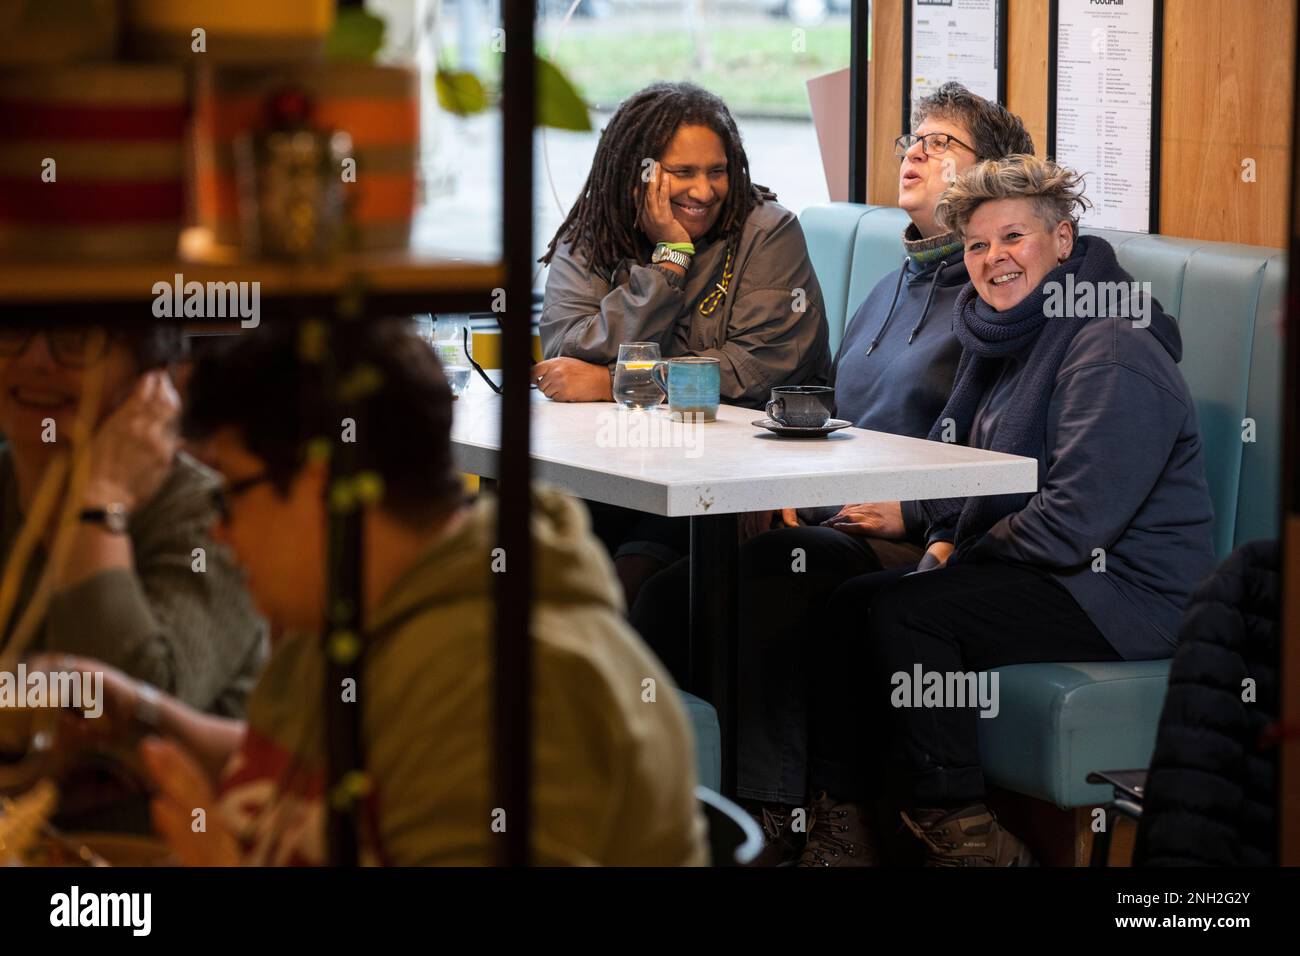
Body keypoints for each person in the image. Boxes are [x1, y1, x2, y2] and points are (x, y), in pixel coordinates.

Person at [42, 318, 707, 866]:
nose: (218, 530)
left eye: (230, 492)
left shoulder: (511, 680)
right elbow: (291, 777)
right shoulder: (345, 607)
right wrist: (140, 716)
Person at [630, 84, 1034, 861]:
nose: (913, 151)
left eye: (941, 143)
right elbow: (837, 416)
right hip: (833, 516)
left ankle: (801, 818)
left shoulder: (994, 294)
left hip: (925, 539)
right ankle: (679, 805)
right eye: (911, 138)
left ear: (995, 174)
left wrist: (912, 516)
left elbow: (999, 445)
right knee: (663, 595)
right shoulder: (891, 285)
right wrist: (789, 496)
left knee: (779, 576)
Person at [798, 155, 1216, 866]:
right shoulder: (1012, 338)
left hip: (1127, 594)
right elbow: (978, 480)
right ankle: (850, 830)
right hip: (1061, 573)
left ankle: (966, 837)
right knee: (850, 603)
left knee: (911, 611)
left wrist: (952, 555)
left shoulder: (1109, 347)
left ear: (1061, 240)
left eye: (1013, 238)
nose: (995, 260)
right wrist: (938, 540)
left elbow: (1074, 526)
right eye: (977, 245)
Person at [534, 82, 833, 605]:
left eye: (716, 171)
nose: (703, 191)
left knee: (631, 580)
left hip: (728, 474)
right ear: (640, 172)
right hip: (614, 467)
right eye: (683, 172)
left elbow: (754, 369)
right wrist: (668, 262)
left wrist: (617, 383)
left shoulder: (768, 233)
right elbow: (566, 351)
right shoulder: (596, 230)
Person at [0, 322, 265, 716]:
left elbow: (121, 718)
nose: (35, 361)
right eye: (12, 330)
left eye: (76, 340)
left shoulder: (211, 515)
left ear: (152, 377)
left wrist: (100, 502)